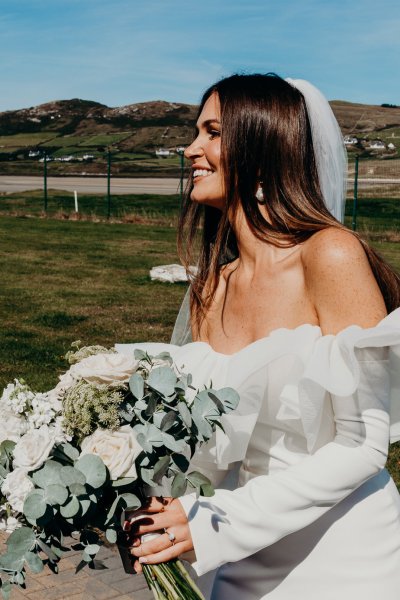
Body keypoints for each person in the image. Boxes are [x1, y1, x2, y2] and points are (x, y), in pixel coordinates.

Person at [126, 74, 400, 599]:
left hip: (343, 554)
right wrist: (149, 497)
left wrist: (213, 521)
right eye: (195, 133)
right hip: (236, 556)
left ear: (263, 145)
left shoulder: (330, 254)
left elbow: (365, 446)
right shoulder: (212, 286)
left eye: (212, 133)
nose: (191, 149)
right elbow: (205, 441)